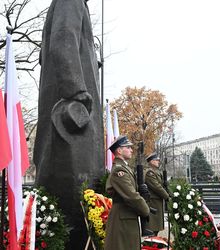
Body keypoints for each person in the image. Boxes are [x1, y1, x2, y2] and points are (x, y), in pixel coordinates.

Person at [33, 0, 104, 248]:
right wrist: (77, 90)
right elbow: (63, 41)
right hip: (71, 112)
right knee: (75, 182)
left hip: (69, 108)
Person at [104, 135, 150, 250]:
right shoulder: (119, 170)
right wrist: (145, 210)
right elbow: (131, 196)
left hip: (126, 217)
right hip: (122, 219)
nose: (131, 150)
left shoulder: (124, 168)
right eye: (128, 147)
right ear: (119, 150)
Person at [144, 153, 170, 236]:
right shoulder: (149, 173)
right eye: (156, 160)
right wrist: (167, 197)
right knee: (153, 227)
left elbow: (162, 186)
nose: (158, 161)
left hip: (157, 202)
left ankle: (154, 243)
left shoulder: (156, 172)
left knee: (156, 227)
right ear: (151, 162)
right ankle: (151, 245)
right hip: (153, 202)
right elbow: (157, 187)